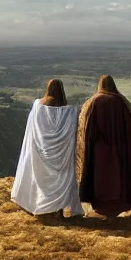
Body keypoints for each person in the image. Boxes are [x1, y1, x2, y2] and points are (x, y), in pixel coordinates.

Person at [76, 75, 131, 217]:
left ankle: (101, 208)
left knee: (101, 179)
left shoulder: (94, 101)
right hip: (120, 150)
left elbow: (87, 128)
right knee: (118, 178)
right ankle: (117, 208)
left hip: (99, 151)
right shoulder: (121, 101)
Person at [11, 79, 84, 217]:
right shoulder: (67, 110)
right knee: (59, 179)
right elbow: (73, 119)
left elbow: (35, 127)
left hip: (41, 150)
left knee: (41, 179)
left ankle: (41, 206)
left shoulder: (39, 105)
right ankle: (58, 210)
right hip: (60, 155)